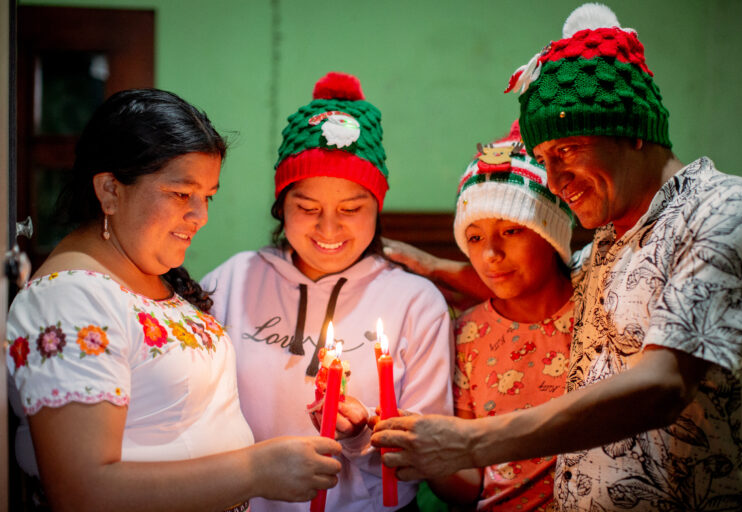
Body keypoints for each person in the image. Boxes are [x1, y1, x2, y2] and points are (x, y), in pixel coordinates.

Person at [372, 4, 742, 511]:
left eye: (568, 150)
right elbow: (539, 289)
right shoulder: (609, 238)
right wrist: (429, 266)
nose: (555, 181)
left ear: (632, 129)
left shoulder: (725, 211)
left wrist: (472, 442)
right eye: (543, 159)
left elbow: (664, 384)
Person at [5, 88, 342, 512]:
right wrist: (254, 471)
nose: (200, 216)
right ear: (110, 190)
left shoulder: (145, 275)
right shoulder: (69, 299)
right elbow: (82, 491)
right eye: (182, 194)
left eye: (209, 196)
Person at [201, 72, 453, 512]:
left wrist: (359, 436)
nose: (329, 229)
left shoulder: (416, 302)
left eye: (352, 209)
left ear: (378, 207)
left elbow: (428, 451)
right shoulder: (230, 282)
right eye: (308, 208)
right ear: (281, 206)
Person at [425, 123, 575, 512]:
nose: (490, 253)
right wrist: (422, 453)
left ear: (551, 234)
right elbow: (470, 483)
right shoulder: (466, 333)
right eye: (474, 237)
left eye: (511, 230)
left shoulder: (596, 313)